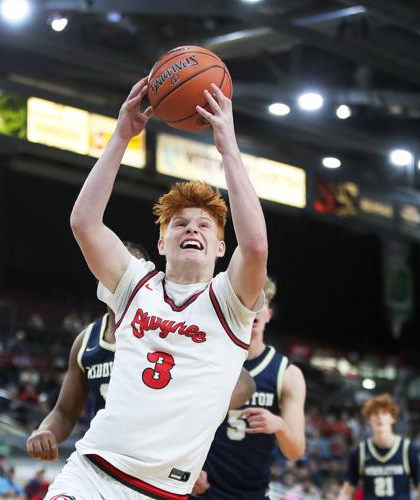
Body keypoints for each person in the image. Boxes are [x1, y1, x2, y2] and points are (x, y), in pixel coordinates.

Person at [45, 77, 267, 500]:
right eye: (180, 223)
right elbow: (84, 224)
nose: (192, 229)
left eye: (204, 225)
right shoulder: (136, 284)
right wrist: (120, 138)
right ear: (162, 242)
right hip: (92, 470)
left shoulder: (230, 302)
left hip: (161, 491)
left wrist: (228, 149)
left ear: (221, 247)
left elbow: (255, 245)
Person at [26, 242, 257, 461]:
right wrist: (45, 431)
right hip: (102, 456)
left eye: (128, 269)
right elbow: (65, 413)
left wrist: (191, 422)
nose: (119, 274)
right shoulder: (86, 341)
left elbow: (244, 383)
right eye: (111, 265)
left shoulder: (168, 328)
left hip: (157, 461)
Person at [191, 276, 306, 499]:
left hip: (252, 493)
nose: (254, 308)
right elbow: (179, 422)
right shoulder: (205, 359)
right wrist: (187, 467)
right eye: (248, 300)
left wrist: (280, 425)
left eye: (261, 302)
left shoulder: (287, 373)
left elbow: (296, 451)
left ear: (268, 314)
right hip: (201, 490)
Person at [336, 394, 420, 500]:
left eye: (384, 413)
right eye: (375, 414)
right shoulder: (360, 452)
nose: (379, 417)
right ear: (368, 420)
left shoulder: (406, 449)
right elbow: (348, 489)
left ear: (392, 418)